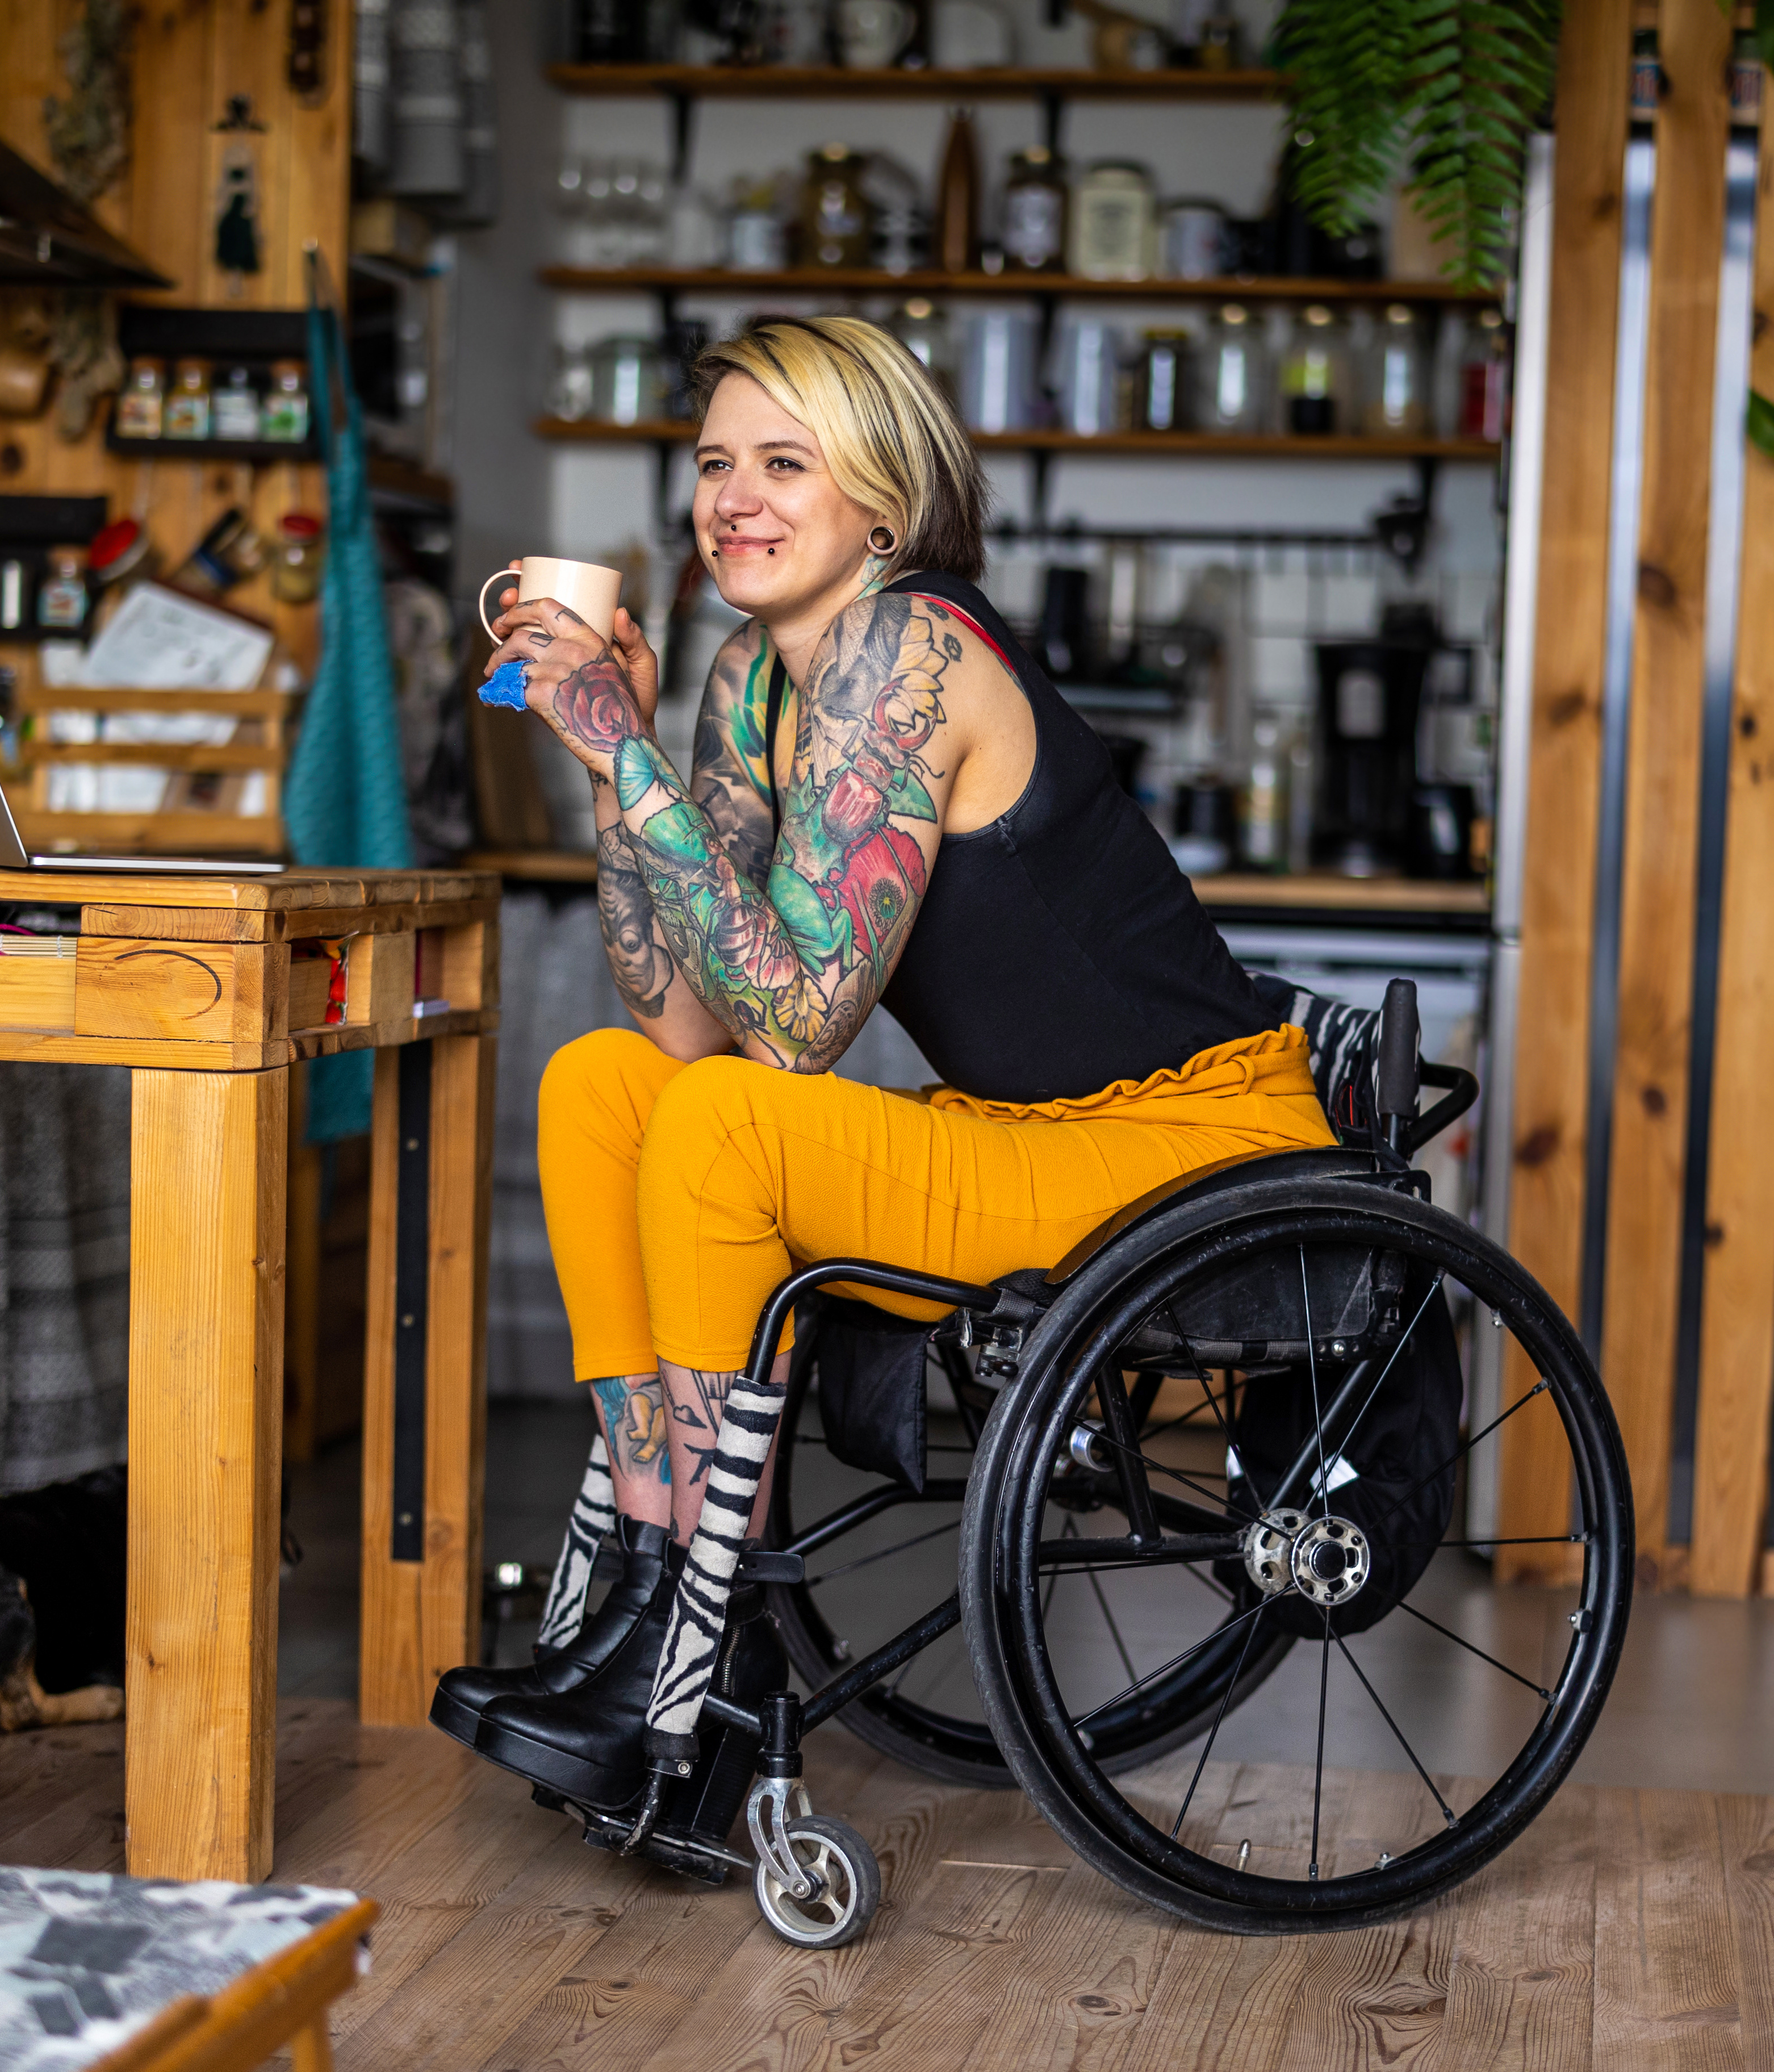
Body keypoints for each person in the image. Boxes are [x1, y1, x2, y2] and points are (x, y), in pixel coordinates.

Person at [432, 316, 1335, 1808]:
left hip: (1182, 1152)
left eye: (786, 462)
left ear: (884, 502)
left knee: (724, 1124)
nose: (735, 496)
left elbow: (793, 1031)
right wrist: (623, 759)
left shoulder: (906, 646)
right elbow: (687, 1018)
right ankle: (660, 1594)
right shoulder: (754, 673)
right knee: (606, 1088)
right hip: (1023, 1132)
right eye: (716, 461)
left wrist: (630, 760)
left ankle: (702, 1663)